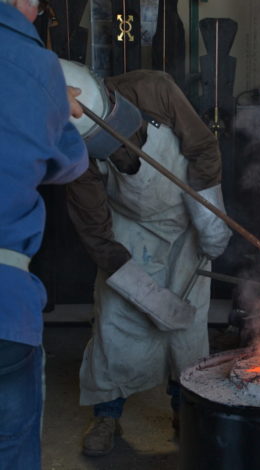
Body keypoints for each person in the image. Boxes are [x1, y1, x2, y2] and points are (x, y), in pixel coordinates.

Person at [60, 61, 232, 456]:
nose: (121, 154)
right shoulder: (74, 155)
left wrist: (210, 222)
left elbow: (203, 149)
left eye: (123, 138)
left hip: (188, 216)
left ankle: (185, 411)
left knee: (187, 330)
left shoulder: (155, 89)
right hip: (129, 227)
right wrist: (148, 296)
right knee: (115, 322)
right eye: (110, 152)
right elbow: (98, 237)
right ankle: (107, 414)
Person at [0, 0, 89, 468]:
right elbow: (68, 164)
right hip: (4, 304)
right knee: (9, 447)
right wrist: (60, 106)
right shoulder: (37, 66)